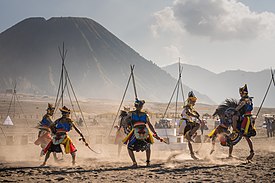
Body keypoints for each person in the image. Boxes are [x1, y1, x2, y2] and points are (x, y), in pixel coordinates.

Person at [122, 98, 163, 167]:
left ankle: (135, 163)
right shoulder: (145, 115)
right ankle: (148, 162)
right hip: (144, 130)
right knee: (148, 146)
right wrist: (154, 133)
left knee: (129, 147)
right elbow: (149, 125)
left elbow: (125, 122)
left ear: (135, 106)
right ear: (141, 107)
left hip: (136, 130)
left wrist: (154, 133)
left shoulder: (131, 114)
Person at [232, 84, 255, 160]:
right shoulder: (249, 99)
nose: (240, 94)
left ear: (242, 93)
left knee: (234, 118)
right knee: (247, 137)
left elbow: (240, 106)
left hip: (246, 118)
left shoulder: (244, 100)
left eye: (241, 93)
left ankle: (234, 130)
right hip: (249, 118)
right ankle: (251, 151)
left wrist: (235, 110)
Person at [181, 91, 201, 159]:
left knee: (192, 137)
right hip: (186, 123)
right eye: (193, 101)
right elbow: (188, 113)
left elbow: (192, 113)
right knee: (197, 125)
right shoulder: (187, 107)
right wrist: (195, 116)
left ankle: (192, 154)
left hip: (185, 123)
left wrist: (196, 114)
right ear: (190, 101)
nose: (194, 103)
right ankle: (189, 136)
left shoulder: (189, 107)